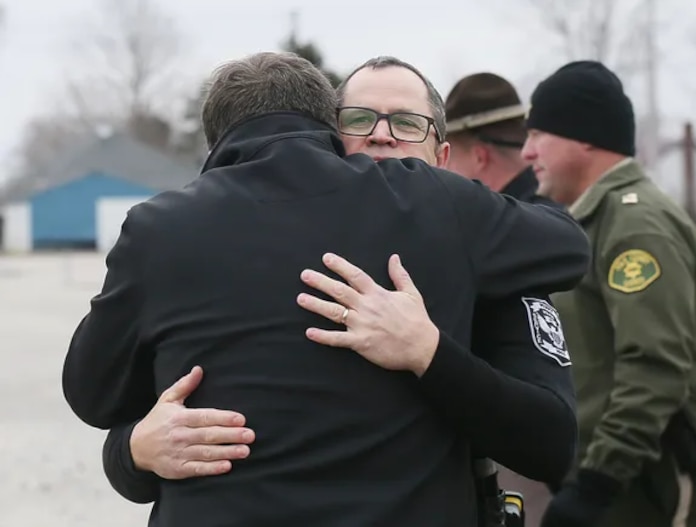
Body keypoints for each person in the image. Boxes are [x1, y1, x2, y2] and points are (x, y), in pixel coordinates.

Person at [61, 51, 590, 527]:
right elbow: (123, 416)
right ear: (327, 135)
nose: (382, 136)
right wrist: (132, 452)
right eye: (359, 120)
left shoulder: (475, 247)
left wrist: (429, 353)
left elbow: (551, 443)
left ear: (444, 159)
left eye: (407, 124)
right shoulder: (199, 237)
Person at [521, 60, 696, 527]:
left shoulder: (634, 224)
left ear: (584, 136)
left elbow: (655, 368)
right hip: (625, 485)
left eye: (538, 134)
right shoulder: (598, 221)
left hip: (649, 487)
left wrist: (597, 482)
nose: (526, 153)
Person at [443, 71, 562, 526]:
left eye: (450, 157)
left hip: (547, 460)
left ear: (479, 155)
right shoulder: (548, 221)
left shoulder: (516, 236)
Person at [445, 72, 538, 201]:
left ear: (479, 157)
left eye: (449, 161)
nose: (445, 172)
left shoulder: (507, 218)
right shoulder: (560, 202)